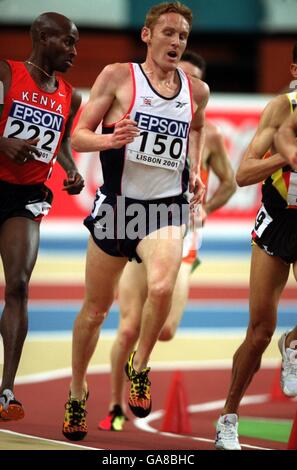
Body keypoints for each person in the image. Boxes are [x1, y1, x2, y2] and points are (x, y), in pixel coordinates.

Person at [62, 2, 209, 442]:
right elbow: (78, 135)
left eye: (183, 36)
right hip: (118, 206)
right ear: (148, 36)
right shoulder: (116, 76)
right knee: (95, 310)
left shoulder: (196, 90)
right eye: (168, 33)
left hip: (164, 207)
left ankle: (140, 364)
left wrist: (196, 169)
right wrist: (112, 137)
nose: (176, 42)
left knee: (162, 286)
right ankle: (77, 389)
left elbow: (197, 126)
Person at [98, 51, 236, 432]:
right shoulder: (146, 110)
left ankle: (138, 363)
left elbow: (229, 182)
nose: (178, 85)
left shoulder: (210, 135)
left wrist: (204, 208)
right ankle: (114, 404)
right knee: (127, 327)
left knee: (168, 328)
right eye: (176, 76)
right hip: (140, 224)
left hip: (181, 236)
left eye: (189, 80)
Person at [0, 12, 84, 421]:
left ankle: (5, 391)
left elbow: (63, 142)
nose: (73, 51)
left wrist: (70, 168)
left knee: (18, 284)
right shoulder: (5, 73)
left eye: (76, 44)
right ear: (43, 36)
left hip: (26, 197)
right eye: (68, 42)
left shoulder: (71, 94)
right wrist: (2, 142)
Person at [215, 62, 297, 450]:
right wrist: (286, 158)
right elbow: (244, 174)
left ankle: (294, 345)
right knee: (260, 331)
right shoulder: (283, 109)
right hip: (279, 219)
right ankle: (228, 417)